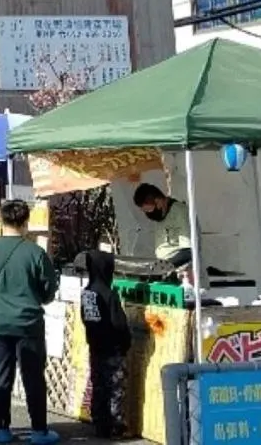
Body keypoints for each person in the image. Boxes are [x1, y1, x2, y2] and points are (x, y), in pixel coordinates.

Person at [0, 200, 59, 445]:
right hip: (29, 324)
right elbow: (49, 290)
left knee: (0, 377)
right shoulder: (35, 252)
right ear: (25, 222)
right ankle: (39, 431)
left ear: (1, 220)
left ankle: (2, 429)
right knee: (33, 378)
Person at [78, 251, 132, 440]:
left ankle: (99, 423)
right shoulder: (109, 294)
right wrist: (126, 341)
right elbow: (119, 323)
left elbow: (85, 318)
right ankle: (116, 426)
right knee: (116, 388)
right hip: (113, 349)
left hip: (95, 346)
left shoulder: (87, 292)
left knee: (98, 384)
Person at [133, 183, 194, 269]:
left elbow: (189, 251)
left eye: (149, 210)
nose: (148, 214)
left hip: (183, 270)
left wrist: (165, 266)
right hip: (166, 269)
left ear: (158, 201)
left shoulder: (180, 212)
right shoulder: (160, 216)